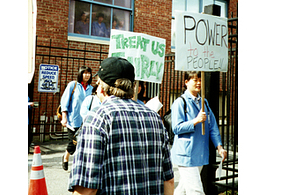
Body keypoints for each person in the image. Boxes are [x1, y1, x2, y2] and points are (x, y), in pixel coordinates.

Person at [68, 57, 174, 195]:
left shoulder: (98, 118)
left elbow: (87, 188)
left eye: (98, 83)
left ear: (101, 87)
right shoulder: (154, 118)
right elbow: (169, 181)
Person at [171, 71, 227, 195]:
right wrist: (195, 121)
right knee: (196, 191)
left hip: (199, 154)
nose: (199, 83)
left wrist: (219, 147)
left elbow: (212, 127)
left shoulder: (204, 103)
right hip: (186, 155)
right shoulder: (180, 102)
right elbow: (176, 128)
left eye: (200, 80)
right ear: (186, 82)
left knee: (183, 189)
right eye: (195, 80)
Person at [60, 66, 93, 171]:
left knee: (84, 142)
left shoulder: (91, 89)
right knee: (73, 142)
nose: (87, 75)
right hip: (72, 119)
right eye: (85, 73)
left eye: (89, 73)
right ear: (80, 74)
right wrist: (64, 117)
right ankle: (66, 157)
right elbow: (64, 101)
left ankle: (80, 164)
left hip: (86, 120)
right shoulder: (73, 85)